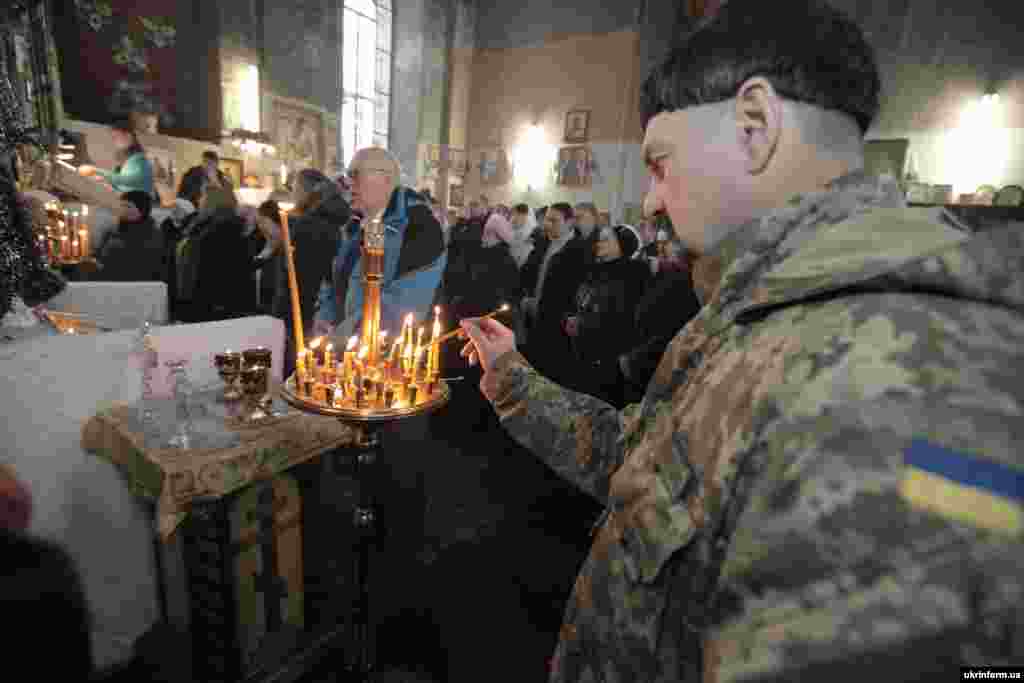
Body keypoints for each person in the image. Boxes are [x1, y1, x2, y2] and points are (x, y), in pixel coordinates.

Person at [457, 1, 1024, 681]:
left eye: (660, 163)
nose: (648, 202)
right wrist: (512, 377)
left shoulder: (898, 382)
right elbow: (647, 462)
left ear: (755, 124)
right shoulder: (769, 308)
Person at [313, 147, 444, 341]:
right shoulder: (354, 226)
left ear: (387, 179)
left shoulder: (420, 227)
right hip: (344, 351)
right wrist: (324, 317)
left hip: (388, 357)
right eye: (347, 175)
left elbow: (402, 308)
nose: (348, 183)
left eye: (355, 174)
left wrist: (342, 337)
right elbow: (332, 281)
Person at [563, 225, 651, 408]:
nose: (598, 243)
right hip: (584, 356)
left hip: (610, 363)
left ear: (622, 245)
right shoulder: (595, 270)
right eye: (599, 239)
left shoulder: (632, 276)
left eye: (605, 239)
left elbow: (620, 320)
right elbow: (579, 301)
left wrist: (582, 326)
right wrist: (570, 318)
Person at [273, 169, 349, 369]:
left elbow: (295, 278)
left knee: (300, 374)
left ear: (307, 191)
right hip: (325, 313)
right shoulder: (338, 219)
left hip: (304, 313)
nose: (293, 195)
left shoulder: (309, 224)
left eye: (295, 189)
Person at [89, 191, 167, 283]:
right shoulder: (113, 231)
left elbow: (148, 265)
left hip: (138, 287)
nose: (123, 209)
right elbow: (100, 256)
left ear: (141, 210)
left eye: (128, 206)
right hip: (109, 285)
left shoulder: (152, 235)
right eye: (122, 206)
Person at [78, 117, 154, 196]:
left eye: (116, 137)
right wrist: (106, 183)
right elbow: (120, 185)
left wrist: (97, 171)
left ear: (128, 135)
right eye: (113, 138)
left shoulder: (140, 158)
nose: (115, 141)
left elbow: (131, 180)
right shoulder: (124, 160)